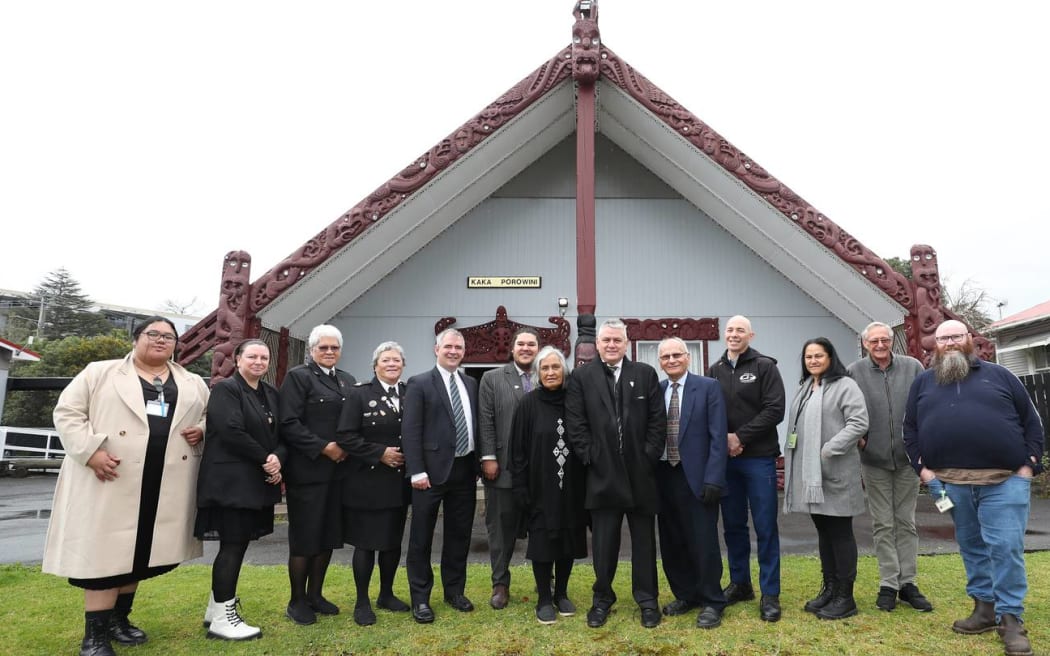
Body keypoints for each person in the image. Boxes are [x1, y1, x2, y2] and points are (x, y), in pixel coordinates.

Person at [43, 317, 208, 656]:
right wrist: (90, 453)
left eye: (168, 337)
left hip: (164, 482)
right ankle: (95, 637)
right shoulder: (99, 372)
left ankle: (120, 620)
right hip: (112, 477)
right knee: (106, 558)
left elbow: (209, 413)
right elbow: (68, 413)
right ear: (136, 339)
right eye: (153, 334)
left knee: (141, 554)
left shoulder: (191, 381)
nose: (161, 341)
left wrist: (203, 429)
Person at [904, 319, 1044, 656]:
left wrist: (1028, 467)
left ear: (969, 339)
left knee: (1005, 547)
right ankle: (983, 609)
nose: (949, 343)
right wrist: (925, 473)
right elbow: (909, 429)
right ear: (934, 345)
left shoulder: (1001, 376)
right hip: (950, 485)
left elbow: (1032, 422)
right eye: (942, 338)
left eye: (956, 336)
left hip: (1004, 481)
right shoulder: (923, 382)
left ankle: (1010, 618)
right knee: (971, 546)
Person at [565, 319, 666, 629]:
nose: (611, 345)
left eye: (617, 340)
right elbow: (576, 424)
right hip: (601, 475)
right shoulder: (582, 377)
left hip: (640, 475)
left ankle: (647, 600)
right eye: (606, 339)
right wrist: (591, 457)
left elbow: (657, 422)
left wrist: (648, 456)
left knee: (644, 544)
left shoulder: (645, 374)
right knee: (604, 545)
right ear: (597, 344)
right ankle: (602, 599)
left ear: (626, 342)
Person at [195, 339, 285, 640]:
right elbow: (230, 430)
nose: (259, 362)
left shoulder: (271, 393)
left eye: (264, 357)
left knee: (239, 544)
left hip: (257, 481)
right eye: (252, 356)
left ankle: (215, 607)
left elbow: (282, 433)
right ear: (237, 359)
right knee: (232, 546)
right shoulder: (225, 390)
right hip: (231, 482)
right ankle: (223, 617)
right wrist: (265, 459)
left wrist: (277, 458)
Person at [846, 321, 931, 612]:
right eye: (874, 342)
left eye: (885, 340)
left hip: (908, 460)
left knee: (905, 522)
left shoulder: (913, 367)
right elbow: (844, 408)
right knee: (883, 524)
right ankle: (888, 583)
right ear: (865, 343)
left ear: (892, 341)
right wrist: (858, 437)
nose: (880, 345)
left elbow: (927, 405)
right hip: (874, 460)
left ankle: (908, 583)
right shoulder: (854, 371)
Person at [707, 315, 786, 621]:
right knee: (733, 526)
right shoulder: (715, 370)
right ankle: (740, 583)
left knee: (765, 526)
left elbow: (775, 409)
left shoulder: (765, 366)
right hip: (727, 462)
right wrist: (725, 441)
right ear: (724, 335)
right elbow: (710, 411)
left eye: (740, 330)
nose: (734, 334)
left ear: (750, 335)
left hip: (759, 459)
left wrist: (740, 437)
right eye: (730, 330)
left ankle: (770, 593)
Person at [783, 337, 869, 620]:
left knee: (841, 534)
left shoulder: (846, 386)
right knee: (824, 533)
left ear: (830, 357)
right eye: (809, 357)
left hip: (836, 472)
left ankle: (846, 596)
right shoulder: (806, 388)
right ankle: (830, 589)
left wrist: (830, 448)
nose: (814, 361)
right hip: (811, 476)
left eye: (819, 356)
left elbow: (859, 423)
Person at [278, 325, 356, 625]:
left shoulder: (347, 380)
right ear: (312, 350)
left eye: (334, 347)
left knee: (327, 536)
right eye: (323, 347)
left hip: (340, 473)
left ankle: (316, 595)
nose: (329, 352)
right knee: (305, 538)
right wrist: (324, 447)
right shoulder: (299, 377)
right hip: (308, 471)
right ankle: (296, 600)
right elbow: (289, 422)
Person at [401, 328, 480, 624]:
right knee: (421, 537)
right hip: (429, 474)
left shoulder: (470, 383)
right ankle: (420, 598)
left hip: (464, 470)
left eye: (458, 347)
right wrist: (416, 470)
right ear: (436, 349)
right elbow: (410, 431)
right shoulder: (420, 383)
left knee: (459, 535)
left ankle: (454, 591)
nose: (453, 351)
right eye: (448, 346)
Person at [509, 345, 587, 625]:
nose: (551, 372)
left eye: (556, 367)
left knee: (568, 541)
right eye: (545, 368)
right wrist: (520, 487)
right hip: (539, 488)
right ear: (538, 373)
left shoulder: (575, 400)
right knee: (543, 543)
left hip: (572, 488)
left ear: (564, 371)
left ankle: (562, 594)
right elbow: (517, 451)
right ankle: (544, 597)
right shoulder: (528, 404)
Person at [655, 337, 729, 629]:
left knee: (703, 541)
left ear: (687, 357)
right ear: (659, 362)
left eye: (676, 355)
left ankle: (712, 600)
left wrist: (713, 478)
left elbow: (718, 436)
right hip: (664, 475)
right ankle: (686, 595)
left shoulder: (708, 387)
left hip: (698, 477)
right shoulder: (657, 391)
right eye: (665, 357)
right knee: (673, 541)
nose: (671, 360)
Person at [335, 341, 411, 626]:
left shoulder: (409, 393)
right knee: (366, 544)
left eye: (397, 360)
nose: (392, 364)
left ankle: (387, 594)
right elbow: (346, 436)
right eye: (386, 360)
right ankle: (362, 601)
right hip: (367, 481)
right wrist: (380, 453)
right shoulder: (359, 394)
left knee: (392, 542)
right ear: (375, 365)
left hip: (398, 483)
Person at [478, 328, 539, 609]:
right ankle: (500, 583)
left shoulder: (549, 373)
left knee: (543, 526)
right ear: (512, 349)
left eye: (532, 344)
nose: (526, 348)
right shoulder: (492, 378)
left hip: (541, 470)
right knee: (500, 529)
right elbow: (486, 421)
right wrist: (488, 457)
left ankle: (546, 579)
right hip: (502, 467)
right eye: (522, 344)